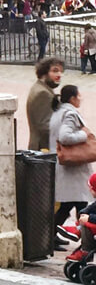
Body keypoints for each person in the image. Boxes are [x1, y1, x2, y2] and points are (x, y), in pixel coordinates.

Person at [50, 85, 92, 250]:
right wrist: (85, 135)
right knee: (81, 205)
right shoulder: (70, 114)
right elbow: (65, 136)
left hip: (69, 168)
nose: (80, 98)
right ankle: (85, 242)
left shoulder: (59, 111)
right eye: (79, 95)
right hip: (73, 168)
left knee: (70, 204)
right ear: (72, 98)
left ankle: (52, 236)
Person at [26, 57, 64, 150]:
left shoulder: (40, 87)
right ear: (44, 72)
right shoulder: (42, 93)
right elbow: (45, 126)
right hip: (44, 149)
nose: (59, 75)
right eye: (55, 71)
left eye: (61, 71)